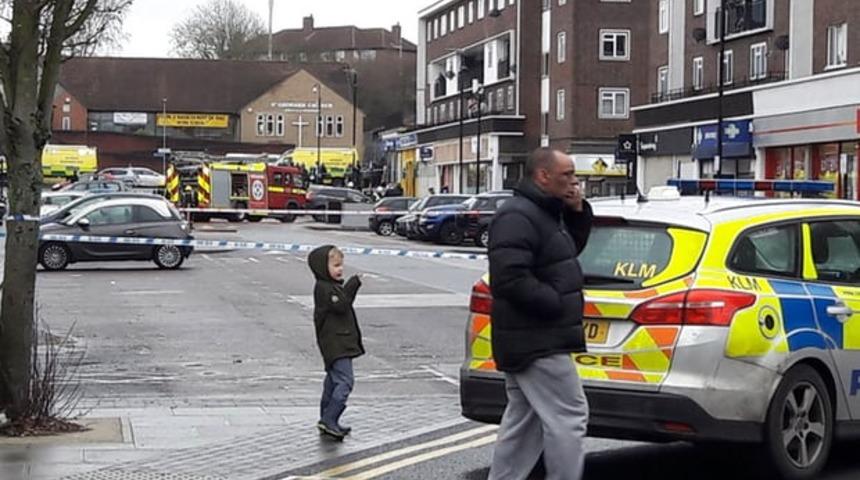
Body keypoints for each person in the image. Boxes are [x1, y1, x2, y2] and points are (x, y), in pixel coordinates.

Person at [487, 148, 593, 480]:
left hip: (531, 336)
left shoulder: (544, 212)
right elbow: (509, 277)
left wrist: (576, 212)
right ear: (543, 176)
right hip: (536, 337)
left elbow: (562, 254)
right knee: (570, 415)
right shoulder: (518, 216)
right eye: (567, 175)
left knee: (526, 421)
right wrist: (553, 302)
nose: (574, 182)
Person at [308, 245, 364, 441]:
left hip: (336, 343)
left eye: (341, 265)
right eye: (336, 265)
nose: (340, 269)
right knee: (345, 382)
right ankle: (330, 418)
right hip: (336, 344)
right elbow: (342, 305)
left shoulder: (330, 286)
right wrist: (353, 284)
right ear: (323, 267)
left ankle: (326, 418)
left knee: (332, 382)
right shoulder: (325, 288)